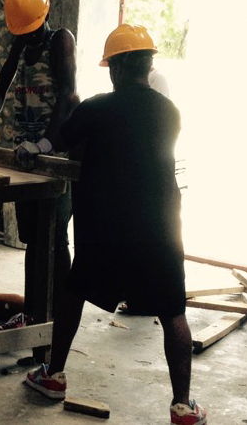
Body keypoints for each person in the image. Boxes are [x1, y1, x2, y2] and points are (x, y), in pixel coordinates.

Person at [23, 24, 206, 425]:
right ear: (147, 64)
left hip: (104, 227)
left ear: (117, 68)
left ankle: (53, 376)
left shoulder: (96, 107)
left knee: (74, 291)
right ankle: (183, 406)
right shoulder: (171, 111)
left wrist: (33, 148)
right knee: (173, 311)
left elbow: (60, 140)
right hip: (159, 227)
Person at [0, 0, 79, 329]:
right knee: (32, 236)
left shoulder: (60, 40)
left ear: (43, 18)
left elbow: (68, 94)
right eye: (22, 32)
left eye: (31, 30)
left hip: (54, 155)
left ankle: (59, 317)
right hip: (26, 155)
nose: (28, 37)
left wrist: (47, 143)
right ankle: (34, 310)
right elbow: (1, 87)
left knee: (55, 236)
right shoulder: (22, 42)